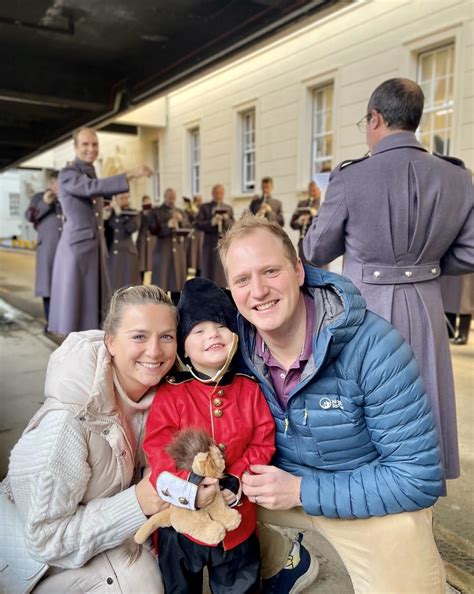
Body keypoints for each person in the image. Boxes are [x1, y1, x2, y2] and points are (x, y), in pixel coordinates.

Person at [218, 215, 445, 594]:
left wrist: (302, 490)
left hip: (366, 492)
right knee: (195, 501)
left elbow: (416, 478)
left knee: (405, 552)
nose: (258, 291)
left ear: (298, 271)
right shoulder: (231, 346)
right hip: (275, 486)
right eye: (242, 279)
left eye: (270, 271)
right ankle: (283, 559)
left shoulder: (375, 348)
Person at [303, 78, 474, 483]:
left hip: (365, 307)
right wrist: (426, 266)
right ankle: (421, 484)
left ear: (375, 118)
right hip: (427, 304)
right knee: (424, 396)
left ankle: (370, 489)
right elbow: (470, 252)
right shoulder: (457, 176)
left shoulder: (350, 177)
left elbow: (315, 250)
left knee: (366, 402)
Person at [3, 285, 179, 592]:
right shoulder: (67, 421)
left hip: (98, 541)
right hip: (34, 568)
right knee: (141, 579)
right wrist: (137, 501)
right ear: (110, 342)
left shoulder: (164, 400)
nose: (154, 351)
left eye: (166, 337)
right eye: (139, 336)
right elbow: (45, 540)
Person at [143, 277, 275, 593]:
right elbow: (158, 448)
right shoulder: (172, 393)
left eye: (220, 326)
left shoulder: (250, 389)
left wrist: (237, 479)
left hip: (236, 519)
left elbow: (263, 440)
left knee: (240, 586)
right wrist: (190, 486)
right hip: (182, 525)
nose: (212, 334)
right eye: (198, 331)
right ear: (184, 350)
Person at [48, 127, 152, 335]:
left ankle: (91, 346)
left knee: (93, 309)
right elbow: (91, 187)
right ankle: (76, 351)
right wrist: (130, 174)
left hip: (94, 247)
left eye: (94, 144)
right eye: (85, 144)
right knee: (76, 311)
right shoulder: (68, 173)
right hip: (78, 250)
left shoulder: (88, 171)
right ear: (75, 147)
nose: (91, 149)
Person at [24, 170, 62, 324]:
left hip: (66, 249)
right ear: (51, 183)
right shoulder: (39, 197)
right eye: (58, 183)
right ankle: (50, 323)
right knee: (48, 287)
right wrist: (45, 203)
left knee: (65, 285)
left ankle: (64, 323)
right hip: (48, 249)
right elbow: (29, 216)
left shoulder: (67, 197)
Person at [149, 188, 190, 296]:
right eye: (170, 197)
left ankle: (178, 304)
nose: (172, 200)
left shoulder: (180, 211)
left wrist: (181, 221)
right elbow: (152, 229)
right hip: (163, 250)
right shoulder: (156, 211)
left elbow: (189, 228)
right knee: (161, 281)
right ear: (165, 197)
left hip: (178, 250)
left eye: (173, 198)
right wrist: (167, 225)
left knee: (178, 283)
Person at [194, 184, 234, 287]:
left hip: (223, 244)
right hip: (209, 245)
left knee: (223, 274)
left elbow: (233, 226)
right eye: (216, 193)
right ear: (212, 194)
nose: (218, 195)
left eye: (221, 193)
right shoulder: (205, 207)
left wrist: (226, 220)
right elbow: (197, 224)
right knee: (209, 272)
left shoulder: (228, 208)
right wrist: (211, 223)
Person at [105, 193, 141, 291]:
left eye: (126, 198)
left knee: (129, 288)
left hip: (127, 255)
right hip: (111, 255)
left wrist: (119, 214)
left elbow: (131, 228)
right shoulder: (109, 213)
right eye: (121, 198)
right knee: (111, 287)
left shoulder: (133, 213)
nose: (125, 200)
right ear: (115, 200)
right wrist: (105, 217)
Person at [290, 181, 321, 260]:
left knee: (317, 267)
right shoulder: (302, 204)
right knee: (303, 266)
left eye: (314, 191)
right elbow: (292, 223)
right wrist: (299, 221)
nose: (312, 193)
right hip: (303, 243)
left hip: (318, 244)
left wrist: (315, 216)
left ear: (319, 190)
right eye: (310, 191)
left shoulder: (324, 204)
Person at [441, 273, 473, 344]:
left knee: (465, 301)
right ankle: (449, 333)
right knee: (449, 298)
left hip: (467, 271)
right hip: (450, 272)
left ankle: (462, 334)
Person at [136, 194, 157, 283]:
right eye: (145, 203)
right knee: (142, 263)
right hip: (142, 240)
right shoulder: (140, 214)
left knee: (152, 263)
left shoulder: (154, 213)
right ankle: (141, 282)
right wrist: (144, 215)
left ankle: (153, 283)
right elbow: (137, 226)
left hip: (152, 240)